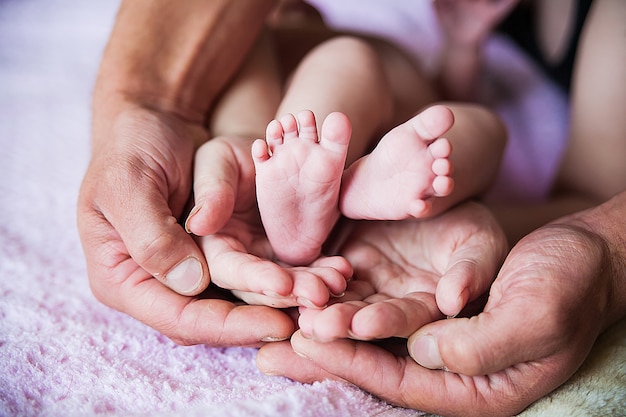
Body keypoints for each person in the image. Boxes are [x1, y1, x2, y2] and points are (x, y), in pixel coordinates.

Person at [76, 0, 625, 415]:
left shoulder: (269, 46)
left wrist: (461, 45)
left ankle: (340, 194)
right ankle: (357, 191)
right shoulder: (253, 41)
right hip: (375, 157)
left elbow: (251, 115)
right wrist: (464, 50)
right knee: (475, 128)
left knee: (322, 91)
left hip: (316, 156)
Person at [255, 0, 626, 415]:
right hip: (396, 153)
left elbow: (445, 96)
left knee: (468, 125)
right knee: (466, 122)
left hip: (395, 159)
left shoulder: (340, 38)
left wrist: (461, 47)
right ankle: (331, 188)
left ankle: (328, 195)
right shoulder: (276, 50)